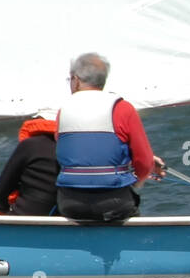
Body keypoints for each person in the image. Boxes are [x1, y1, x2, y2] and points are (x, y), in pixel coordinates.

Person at [55, 52, 164, 222]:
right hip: (114, 202)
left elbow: (73, 152)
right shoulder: (122, 108)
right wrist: (136, 183)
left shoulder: (63, 111)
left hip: (70, 203)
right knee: (128, 205)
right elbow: (144, 162)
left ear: (76, 80)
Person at [0, 112, 59, 215]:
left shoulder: (30, 145)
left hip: (26, 215)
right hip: (65, 216)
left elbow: (2, 190)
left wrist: (3, 208)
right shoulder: (73, 147)